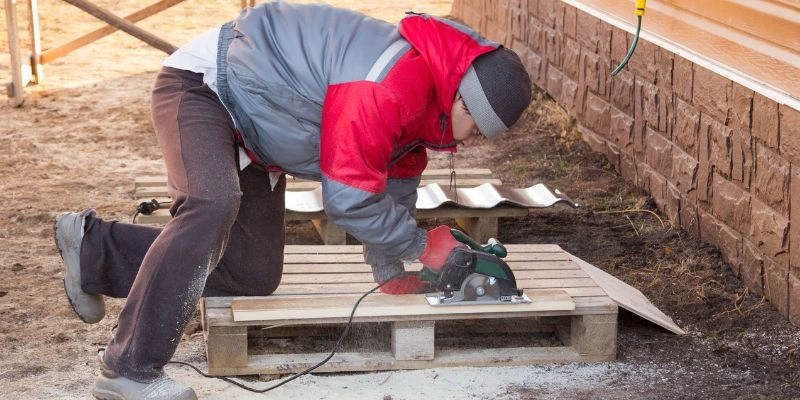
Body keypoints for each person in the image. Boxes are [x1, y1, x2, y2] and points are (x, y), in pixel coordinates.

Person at [54, 2, 532, 399]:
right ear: (462, 101)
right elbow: (348, 198)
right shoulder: (388, 85)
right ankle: (130, 371)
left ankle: (94, 248)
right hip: (206, 88)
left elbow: (390, 193)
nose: (473, 144)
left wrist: (392, 273)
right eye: (478, 131)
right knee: (211, 203)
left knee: (252, 273)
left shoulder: (425, 117)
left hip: (260, 130)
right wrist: (425, 247)